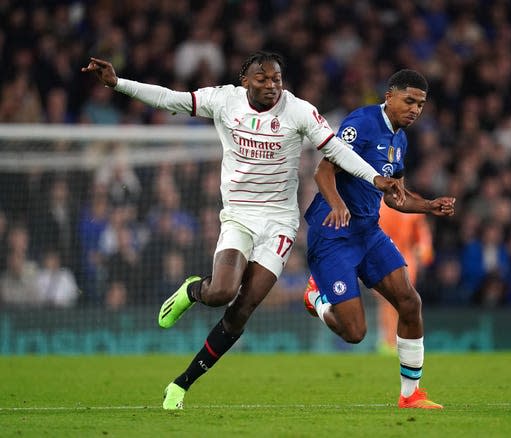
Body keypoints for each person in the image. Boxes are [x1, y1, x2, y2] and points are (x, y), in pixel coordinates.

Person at [82, 51, 404, 410]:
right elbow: (169, 98)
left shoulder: (298, 111)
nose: (271, 85)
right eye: (263, 79)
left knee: (243, 308)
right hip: (238, 216)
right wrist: (118, 83)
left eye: (277, 79)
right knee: (221, 292)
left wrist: (376, 178)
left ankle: (182, 384)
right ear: (245, 80)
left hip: (280, 222)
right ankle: (193, 289)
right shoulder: (224, 101)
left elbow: (337, 150)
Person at [302, 70, 455, 409]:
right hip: (333, 234)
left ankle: (410, 394)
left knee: (409, 301)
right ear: (389, 96)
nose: (415, 109)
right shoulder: (362, 122)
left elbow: (395, 197)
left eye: (421, 104)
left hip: (368, 232)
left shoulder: (400, 141)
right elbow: (323, 171)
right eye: (409, 101)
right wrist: (338, 205)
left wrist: (429, 206)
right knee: (355, 333)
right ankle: (317, 298)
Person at [376, 201, 434, 354]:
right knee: (398, 304)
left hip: (387, 259)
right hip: (401, 261)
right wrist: (423, 252)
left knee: (393, 304)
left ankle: (392, 343)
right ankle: (393, 343)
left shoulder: (375, 201)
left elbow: (423, 241)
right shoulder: (411, 202)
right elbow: (424, 243)